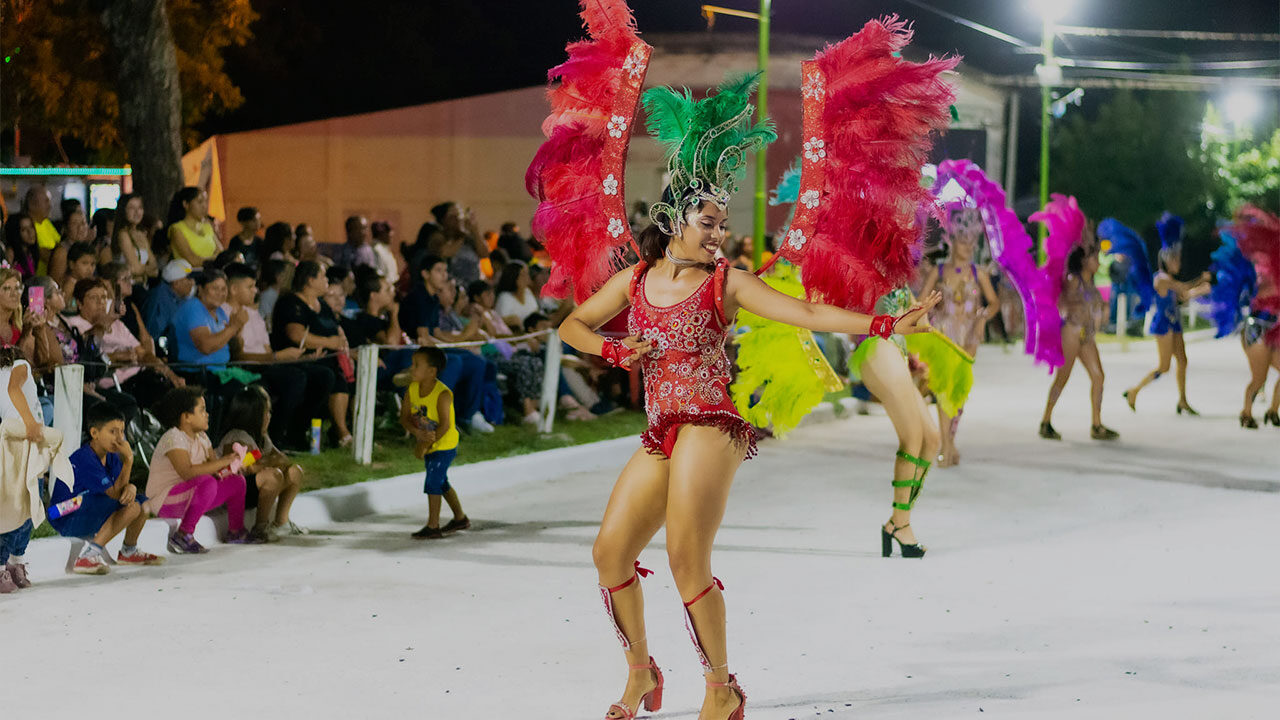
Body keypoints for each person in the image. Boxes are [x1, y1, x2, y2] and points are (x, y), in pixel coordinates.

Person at [533, 61, 946, 719]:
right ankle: (641, 672)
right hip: (660, 425)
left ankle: (721, 688)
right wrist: (614, 348)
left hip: (711, 422)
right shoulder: (636, 280)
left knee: (683, 555)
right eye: (708, 221)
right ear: (673, 219)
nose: (718, 232)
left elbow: (807, 313)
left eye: (721, 223)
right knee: (609, 552)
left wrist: (884, 321)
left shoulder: (728, 281)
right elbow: (571, 326)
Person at [918, 208, 1000, 466]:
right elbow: (921, 302)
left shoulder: (979, 274)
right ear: (952, 242)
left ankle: (949, 442)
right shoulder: (939, 271)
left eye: (971, 242)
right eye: (963, 241)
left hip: (968, 338)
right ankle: (947, 446)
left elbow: (994, 303)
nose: (967, 247)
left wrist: (983, 317)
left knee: (958, 392)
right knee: (943, 390)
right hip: (943, 335)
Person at [224, 263, 328, 450]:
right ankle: (277, 437)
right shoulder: (224, 313)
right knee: (296, 379)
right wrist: (278, 356)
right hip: (246, 367)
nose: (255, 291)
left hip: (268, 363)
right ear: (233, 289)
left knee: (323, 375)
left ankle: (299, 432)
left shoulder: (253, 314)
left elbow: (266, 350)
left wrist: (296, 358)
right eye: (250, 287)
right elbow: (238, 356)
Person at [1039, 199, 1119, 441]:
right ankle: (1046, 421)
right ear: (1084, 260)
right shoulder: (1072, 279)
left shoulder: (1092, 283)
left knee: (1099, 376)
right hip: (1071, 333)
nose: (1098, 261)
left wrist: (1102, 308)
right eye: (1094, 257)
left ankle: (1097, 425)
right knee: (1062, 378)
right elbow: (1057, 294)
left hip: (1087, 336)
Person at [1116, 214, 1211, 415]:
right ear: (1167, 259)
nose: (1179, 262)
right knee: (1164, 366)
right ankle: (1134, 391)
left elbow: (1183, 296)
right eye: (1176, 258)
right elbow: (1183, 288)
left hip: (1174, 321)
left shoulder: (1168, 279)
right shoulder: (1161, 279)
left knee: (1183, 361)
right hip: (1163, 325)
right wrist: (1200, 282)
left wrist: (1200, 288)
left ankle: (1183, 400)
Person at [53, 404, 164, 574]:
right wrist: (128, 460)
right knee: (131, 506)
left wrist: (131, 487)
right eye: (113, 432)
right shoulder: (85, 458)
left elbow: (121, 487)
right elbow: (115, 494)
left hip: (86, 505)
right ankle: (89, 555)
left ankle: (129, 551)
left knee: (144, 504)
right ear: (94, 433)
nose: (120, 438)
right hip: (61, 513)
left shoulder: (110, 456)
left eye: (122, 431)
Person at [145, 386, 255, 553]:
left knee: (237, 482)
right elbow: (187, 472)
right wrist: (224, 460)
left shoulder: (202, 437)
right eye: (202, 410)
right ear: (186, 417)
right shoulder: (173, 437)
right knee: (207, 482)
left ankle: (235, 531)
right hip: (165, 501)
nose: (207, 414)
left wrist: (235, 465)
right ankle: (183, 534)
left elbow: (216, 470)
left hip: (193, 495)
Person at [399, 255, 497, 432]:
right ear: (425, 274)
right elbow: (423, 336)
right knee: (454, 361)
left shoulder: (433, 298)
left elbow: (436, 333)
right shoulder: (418, 296)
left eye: (445, 271)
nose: (444, 275)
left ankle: (468, 415)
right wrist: (461, 340)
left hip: (429, 347)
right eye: (438, 271)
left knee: (477, 361)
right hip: (413, 351)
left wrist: (459, 343)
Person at [271, 261, 355, 447]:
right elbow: (296, 334)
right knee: (322, 377)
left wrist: (341, 340)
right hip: (295, 359)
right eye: (323, 276)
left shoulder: (323, 306)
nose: (326, 280)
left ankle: (341, 432)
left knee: (338, 379)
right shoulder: (291, 303)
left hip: (325, 360)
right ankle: (289, 433)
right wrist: (329, 342)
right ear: (310, 280)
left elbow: (335, 328)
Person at [70, 278, 184, 410]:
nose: (100, 302)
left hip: (139, 375)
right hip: (113, 382)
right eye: (94, 298)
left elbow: (142, 353)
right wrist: (116, 356)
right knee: (163, 391)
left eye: (103, 297)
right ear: (79, 303)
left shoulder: (117, 324)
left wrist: (170, 374)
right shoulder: (74, 325)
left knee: (172, 385)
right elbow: (87, 354)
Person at [218, 385, 308, 541]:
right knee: (273, 475)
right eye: (266, 412)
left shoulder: (262, 437)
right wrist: (268, 462)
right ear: (253, 415)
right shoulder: (237, 436)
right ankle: (260, 528)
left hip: (253, 486)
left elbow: (282, 459)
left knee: (295, 471)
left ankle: (281, 522)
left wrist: (270, 461)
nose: (269, 416)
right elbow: (241, 467)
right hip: (235, 491)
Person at [399, 347, 468, 539]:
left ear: (432, 371)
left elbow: (445, 425)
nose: (412, 369)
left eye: (416, 365)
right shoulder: (412, 390)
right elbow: (404, 418)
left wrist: (428, 443)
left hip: (444, 445)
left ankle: (433, 525)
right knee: (441, 482)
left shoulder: (443, 394)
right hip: (428, 440)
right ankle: (460, 518)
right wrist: (417, 434)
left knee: (432, 481)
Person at [108, 193, 160, 287]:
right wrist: (147, 270)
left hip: (143, 284)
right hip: (128, 287)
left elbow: (155, 267)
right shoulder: (122, 234)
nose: (137, 212)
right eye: (132, 208)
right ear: (123, 211)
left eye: (140, 208)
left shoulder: (141, 234)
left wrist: (143, 270)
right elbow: (136, 269)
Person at [143, 259, 196, 352]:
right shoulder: (160, 297)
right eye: (188, 279)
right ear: (176, 284)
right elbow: (157, 333)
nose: (192, 282)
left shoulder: (181, 296)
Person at [166, 187, 222, 268]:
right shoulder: (177, 229)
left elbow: (221, 252)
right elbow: (193, 261)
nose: (204, 206)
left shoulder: (207, 227)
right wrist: (216, 259)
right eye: (199, 202)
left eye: (205, 201)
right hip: (189, 275)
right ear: (186, 204)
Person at [434, 202, 486, 284]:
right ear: (443, 220)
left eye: (459, 215)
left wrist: (475, 231)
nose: (458, 219)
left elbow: (484, 254)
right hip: (453, 289)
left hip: (474, 286)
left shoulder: (469, 238)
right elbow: (445, 253)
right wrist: (462, 236)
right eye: (452, 216)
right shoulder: (438, 236)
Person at [21, 185, 59, 275]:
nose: (50, 206)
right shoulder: (26, 227)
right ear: (32, 205)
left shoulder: (46, 222)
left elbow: (60, 245)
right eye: (46, 201)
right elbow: (44, 255)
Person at [0, 268, 36, 358]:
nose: (14, 294)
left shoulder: (20, 327)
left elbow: (35, 361)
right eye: (7, 288)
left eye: (17, 288)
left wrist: (39, 330)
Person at [495, 260, 540, 329]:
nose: (527, 278)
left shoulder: (528, 292)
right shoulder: (504, 298)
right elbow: (501, 324)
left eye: (527, 274)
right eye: (523, 275)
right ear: (514, 278)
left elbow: (536, 316)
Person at [60, 242, 98, 315]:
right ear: (72, 264)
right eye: (85, 263)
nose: (90, 269)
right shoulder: (70, 285)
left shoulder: (84, 283)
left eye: (92, 264)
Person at [5, 213, 39, 279]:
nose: (30, 232)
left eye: (31, 227)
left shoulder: (30, 252)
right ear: (16, 233)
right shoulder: (11, 252)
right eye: (24, 229)